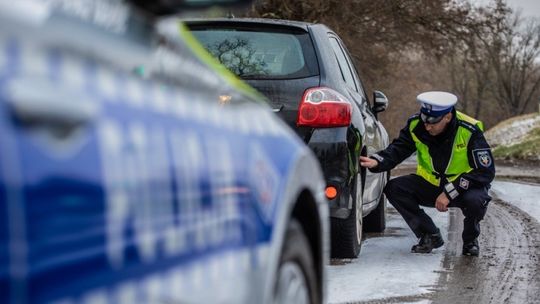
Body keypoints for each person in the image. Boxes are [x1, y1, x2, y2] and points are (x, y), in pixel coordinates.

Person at [360, 91, 495, 256]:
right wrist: (378, 161)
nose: (427, 126)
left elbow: (485, 171)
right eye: (425, 120)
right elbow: (399, 149)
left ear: (447, 117)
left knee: (476, 200)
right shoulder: (417, 125)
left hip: (462, 188)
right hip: (431, 185)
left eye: (433, 122)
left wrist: (450, 192)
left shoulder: (469, 130)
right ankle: (429, 235)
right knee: (395, 188)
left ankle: (470, 241)